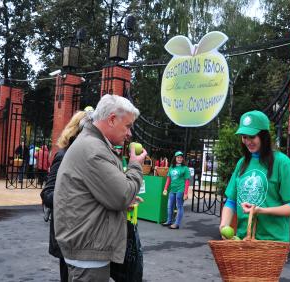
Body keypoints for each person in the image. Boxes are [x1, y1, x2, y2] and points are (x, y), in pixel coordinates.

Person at [54, 94, 147, 282]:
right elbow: (121, 195)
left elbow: (101, 195)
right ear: (112, 119)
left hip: (88, 247)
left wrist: (123, 199)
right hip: (88, 252)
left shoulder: (94, 144)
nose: (129, 133)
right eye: (128, 126)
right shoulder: (94, 149)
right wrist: (136, 165)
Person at [219, 110, 290, 242]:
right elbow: (231, 201)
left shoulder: (283, 163)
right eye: (244, 136)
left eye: (252, 137)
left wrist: (261, 210)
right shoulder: (242, 163)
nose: (247, 141)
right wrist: (224, 225)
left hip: (272, 242)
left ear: (264, 136)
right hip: (243, 239)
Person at [40, 110, 88, 282]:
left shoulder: (88, 155)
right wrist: (79, 200)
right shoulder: (64, 155)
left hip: (83, 233)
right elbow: (47, 194)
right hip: (68, 231)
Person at [161, 151, 191, 229]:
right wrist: (165, 189)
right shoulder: (171, 167)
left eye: (181, 157)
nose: (179, 159)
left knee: (179, 206)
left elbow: (187, 181)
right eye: (178, 157)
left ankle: (176, 224)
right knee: (169, 206)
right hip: (172, 189)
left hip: (180, 189)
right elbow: (168, 179)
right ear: (175, 158)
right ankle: (169, 221)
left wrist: (185, 193)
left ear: (182, 159)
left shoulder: (185, 168)